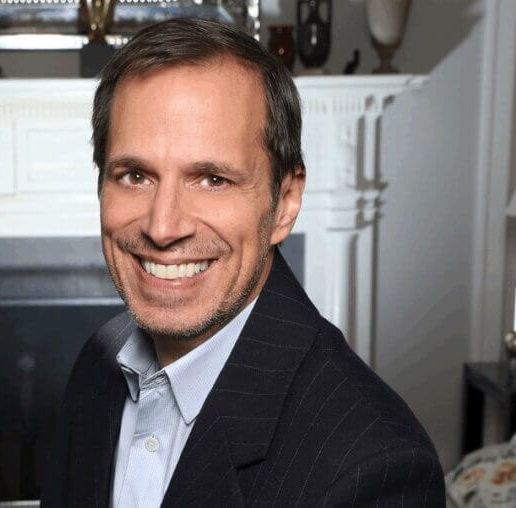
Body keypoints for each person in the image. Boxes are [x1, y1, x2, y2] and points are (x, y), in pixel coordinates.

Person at [42, 18, 445, 507]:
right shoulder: (100, 360)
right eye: (134, 175)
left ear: (284, 203)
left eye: (212, 179)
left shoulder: (375, 466)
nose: (163, 227)